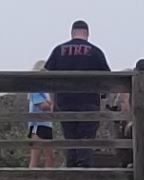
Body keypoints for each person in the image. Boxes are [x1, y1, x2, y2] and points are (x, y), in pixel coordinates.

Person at [42, 20, 111, 167]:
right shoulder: (96, 52)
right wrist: (103, 96)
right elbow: (107, 80)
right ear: (87, 34)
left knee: (70, 139)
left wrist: (53, 100)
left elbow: (48, 77)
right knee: (86, 140)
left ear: (72, 33)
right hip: (89, 103)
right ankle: (84, 170)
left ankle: (71, 169)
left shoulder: (58, 50)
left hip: (65, 102)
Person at [26, 60, 57, 169]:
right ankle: (31, 178)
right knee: (36, 157)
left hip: (47, 125)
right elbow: (43, 106)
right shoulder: (34, 88)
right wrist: (51, 105)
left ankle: (48, 178)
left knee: (50, 157)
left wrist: (50, 104)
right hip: (37, 125)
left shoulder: (47, 91)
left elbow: (51, 104)